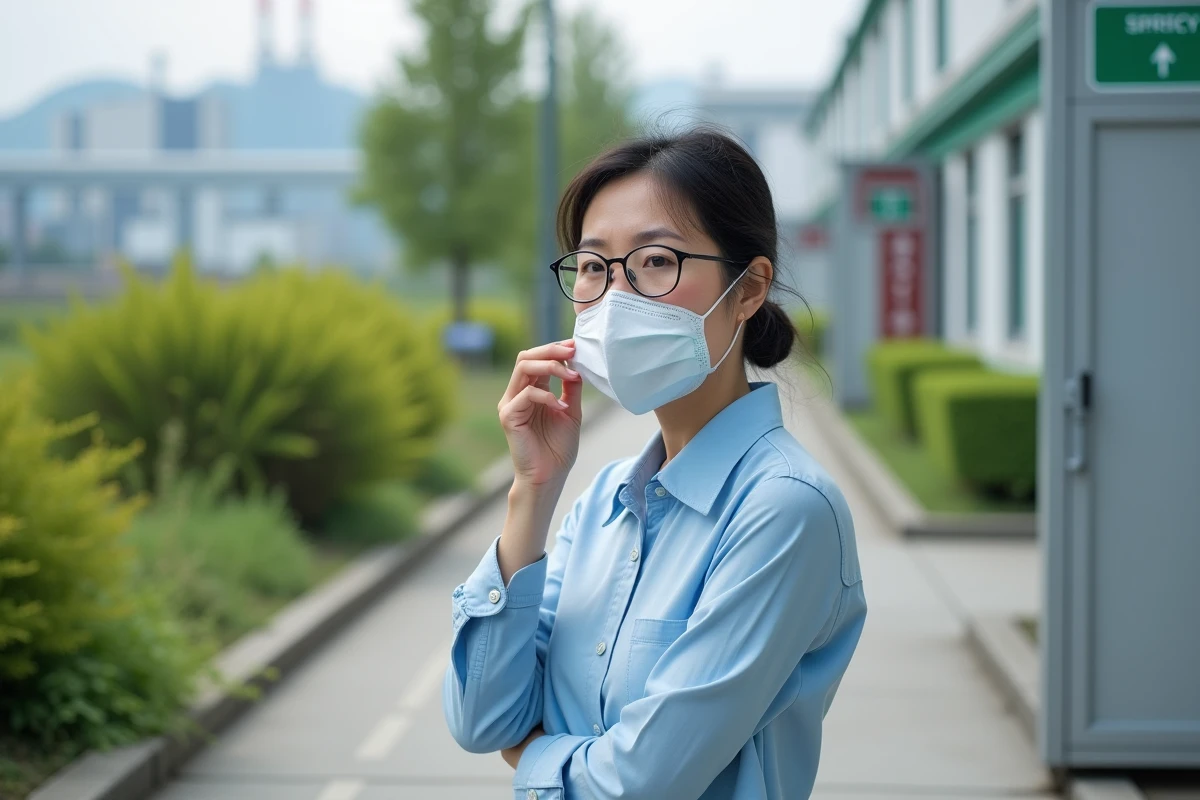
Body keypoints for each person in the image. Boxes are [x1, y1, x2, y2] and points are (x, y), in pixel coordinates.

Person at [442, 128, 867, 800]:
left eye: (656, 261)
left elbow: (641, 783)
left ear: (749, 289)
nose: (615, 297)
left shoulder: (783, 511)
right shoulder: (606, 501)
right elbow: (482, 718)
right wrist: (533, 491)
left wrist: (530, 755)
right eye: (592, 266)